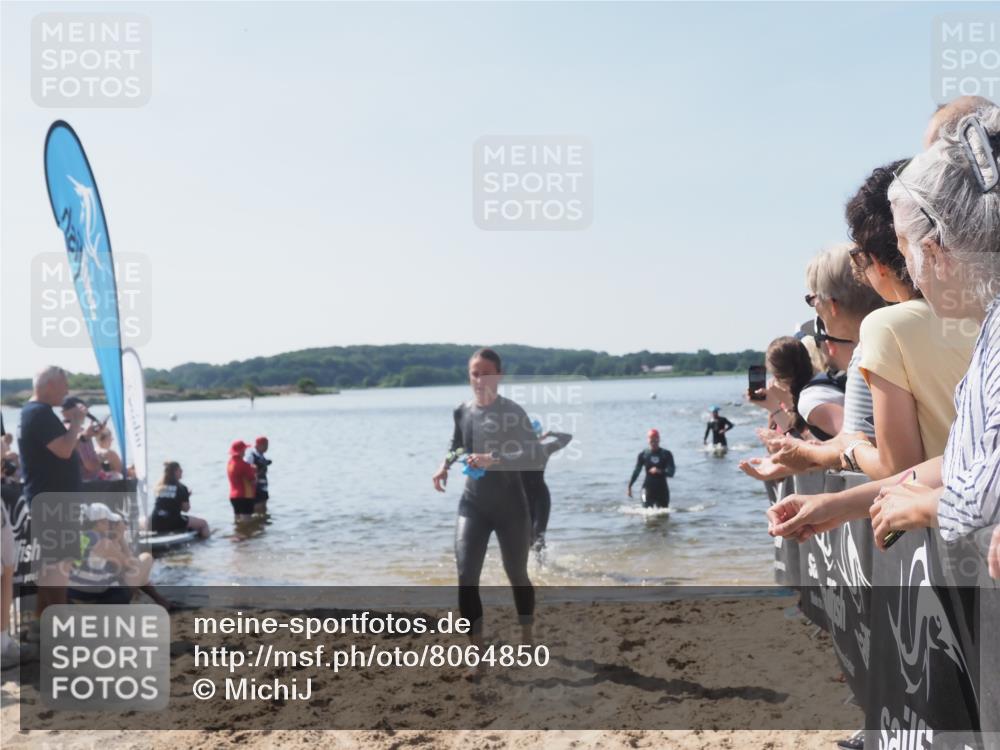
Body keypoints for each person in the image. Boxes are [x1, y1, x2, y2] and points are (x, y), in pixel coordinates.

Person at [768, 106, 1000, 564]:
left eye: (904, 247)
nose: (905, 268)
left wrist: (925, 505)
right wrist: (838, 505)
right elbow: (960, 467)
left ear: (934, 252)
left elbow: (983, 494)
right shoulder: (987, 330)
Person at [431, 348, 540, 657]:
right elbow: (457, 445)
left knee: (516, 574)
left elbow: (532, 453)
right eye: (474, 373)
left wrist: (495, 459)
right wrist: (445, 464)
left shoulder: (512, 412)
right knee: (466, 577)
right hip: (473, 505)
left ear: (499, 376)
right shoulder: (462, 410)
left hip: (511, 508)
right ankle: (476, 653)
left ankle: (527, 636)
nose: (479, 380)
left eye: (486, 373)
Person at [18, 366, 86, 616]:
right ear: (49, 386)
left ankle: (41, 625)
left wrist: (75, 432)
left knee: (52, 566)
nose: (67, 391)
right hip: (53, 502)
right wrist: (76, 423)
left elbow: (59, 448)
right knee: (57, 567)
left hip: (49, 499)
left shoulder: (34, 412)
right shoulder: (39, 413)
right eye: (64, 385)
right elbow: (64, 450)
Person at [67, 502, 153, 604]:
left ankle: (154, 598)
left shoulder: (82, 536)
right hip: (93, 598)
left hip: (74, 593)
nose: (110, 525)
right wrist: (121, 539)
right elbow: (131, 566)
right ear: (99, 523)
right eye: (108, 522)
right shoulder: (101, 541)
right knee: (146, 558)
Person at [520, 427, 573, 551]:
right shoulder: (515, 452)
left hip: (540, 497)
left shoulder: (544, 449)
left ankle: (541, 567)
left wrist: (550, 433)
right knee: (527, 538)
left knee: (539, 534)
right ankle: (530, 566)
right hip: (522, 499)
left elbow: (567, 437)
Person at [151, 461, 209, 538]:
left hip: (155, 521)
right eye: (180, 470)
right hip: (172, 522)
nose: (182, 471)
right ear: (175, 472)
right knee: (203, 524)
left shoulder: (159, 487)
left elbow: (166, 503)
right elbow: (186, 509)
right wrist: (187, 497)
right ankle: (204, 543)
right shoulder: (181, 487)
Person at [628, 429, 676, 508]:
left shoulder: (666, 454)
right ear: (648, 440)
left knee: (664, 515)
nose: (654, 442)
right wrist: (630, 486)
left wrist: (659, 471)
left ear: (659, 440)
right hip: (647, 489)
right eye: (651, 440)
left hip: (662, 490)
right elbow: (637, 471)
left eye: (655, 440)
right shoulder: (643, 454)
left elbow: (672, 472)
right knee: (645, 513)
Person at [61, 396, 103, 481]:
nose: (86, 413)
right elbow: (91, 466)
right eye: (83, 409)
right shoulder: (81, 433)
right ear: (66, 412)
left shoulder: (59, 429)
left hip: (67, 482)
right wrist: (102, 461)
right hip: (86, 483)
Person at [227, 440, 257, 521]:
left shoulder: (230, 463)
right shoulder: (244, 465)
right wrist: (254, 471)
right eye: (244, 450)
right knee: (247, 523)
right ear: (241, 451)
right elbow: (253, 481)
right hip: (245, 496)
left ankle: (237, 532)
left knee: (237, 520)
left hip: (233, 496)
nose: (245, 452)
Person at [245, 436, 272, 515]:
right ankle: (255, 522)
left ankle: (261, 524)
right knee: (257, 506)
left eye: (267, 445)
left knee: (264, 504)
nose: (267, 447)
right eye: (265, 445)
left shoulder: (261, 455)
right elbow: (247, 469)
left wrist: (266, 462)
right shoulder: (251, 455)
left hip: (263, 484)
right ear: (259, 445)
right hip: (256, 485)